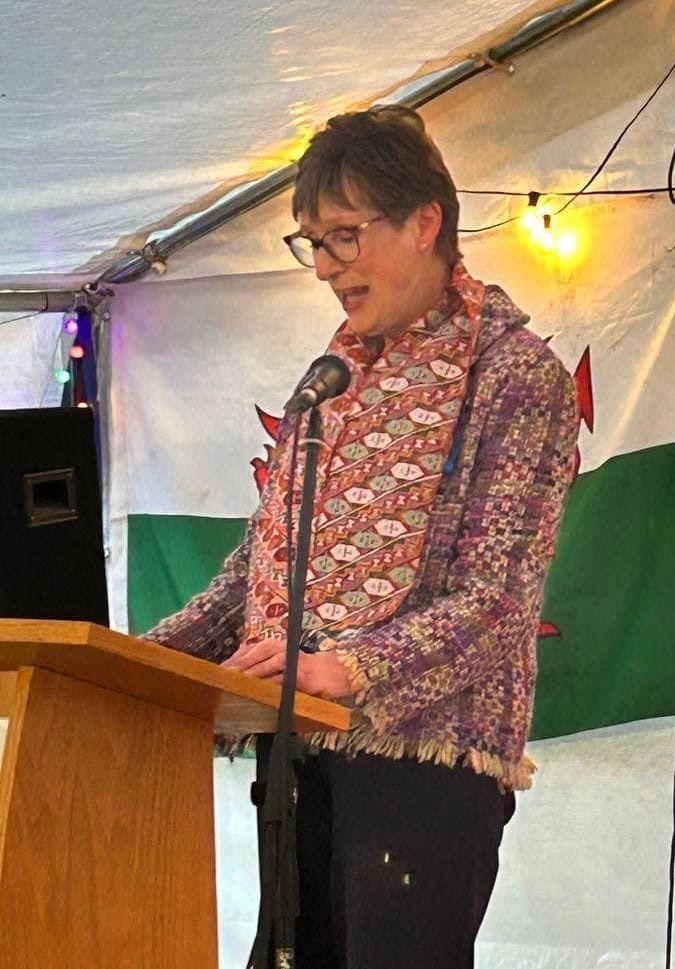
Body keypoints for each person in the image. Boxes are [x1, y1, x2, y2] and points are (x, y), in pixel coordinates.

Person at [146, 105, 579, 968]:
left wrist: (346, 668)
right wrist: (136, 665)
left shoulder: (512, 375)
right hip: (299, 760)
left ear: (424, 222)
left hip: (424, 771)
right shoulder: (335, 379)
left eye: (343, 235)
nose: (324, 267)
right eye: (311, 242)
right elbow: (255, 570)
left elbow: (495, 603)